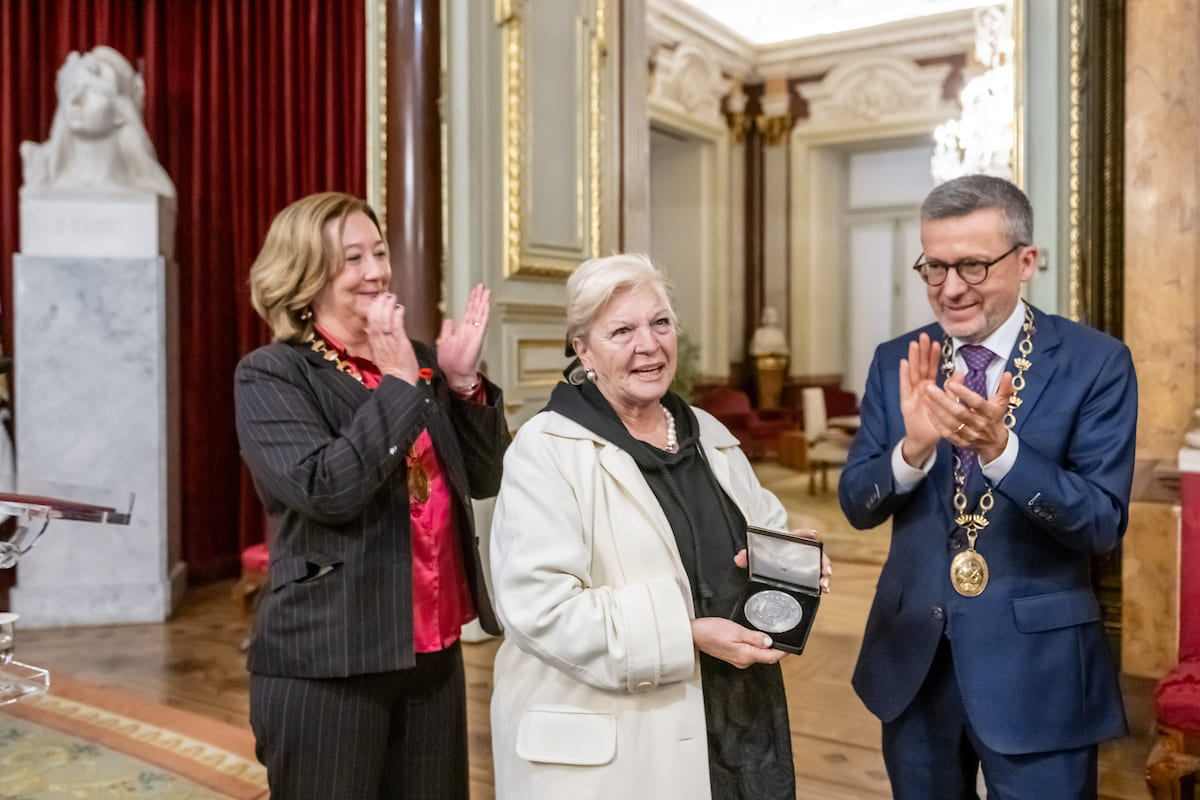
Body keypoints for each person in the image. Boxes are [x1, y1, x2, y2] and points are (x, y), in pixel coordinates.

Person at [488, 253, 831, 800]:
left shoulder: (711, 435)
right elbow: (540, 609)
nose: (649, 345)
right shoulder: (545, 449)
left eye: (660, 322)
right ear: (583, 348)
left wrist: (793, 563)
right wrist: (687, 635)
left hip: (738, 714)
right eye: (622, 330)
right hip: (616, 749)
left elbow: (768, 526)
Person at [838, 175, 1137, 799]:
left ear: (1025, 261)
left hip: (1038, 672)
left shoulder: (1094, 362)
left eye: (972, 266)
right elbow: (857, 503)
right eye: (935, 267)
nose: (950, 289)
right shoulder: (900, 357)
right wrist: (913, 449)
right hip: (914, 665)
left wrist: (1002, 453)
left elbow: (1102, 523)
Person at [234, 192, 509, 799]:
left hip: (431, 651)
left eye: (379, 252)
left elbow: (487, 479)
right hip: (331, 658)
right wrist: (400, 385)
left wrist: (462, 384)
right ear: (306, 277)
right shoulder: (273, 374)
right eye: (351, 258)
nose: (377, 270)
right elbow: (326, 488)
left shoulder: (420, 365)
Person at [20, 45, 175, 200]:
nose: (75, 100)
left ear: (121, 112)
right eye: (71, 90)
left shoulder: (149, 191)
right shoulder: (40, 175)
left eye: (93, 90)